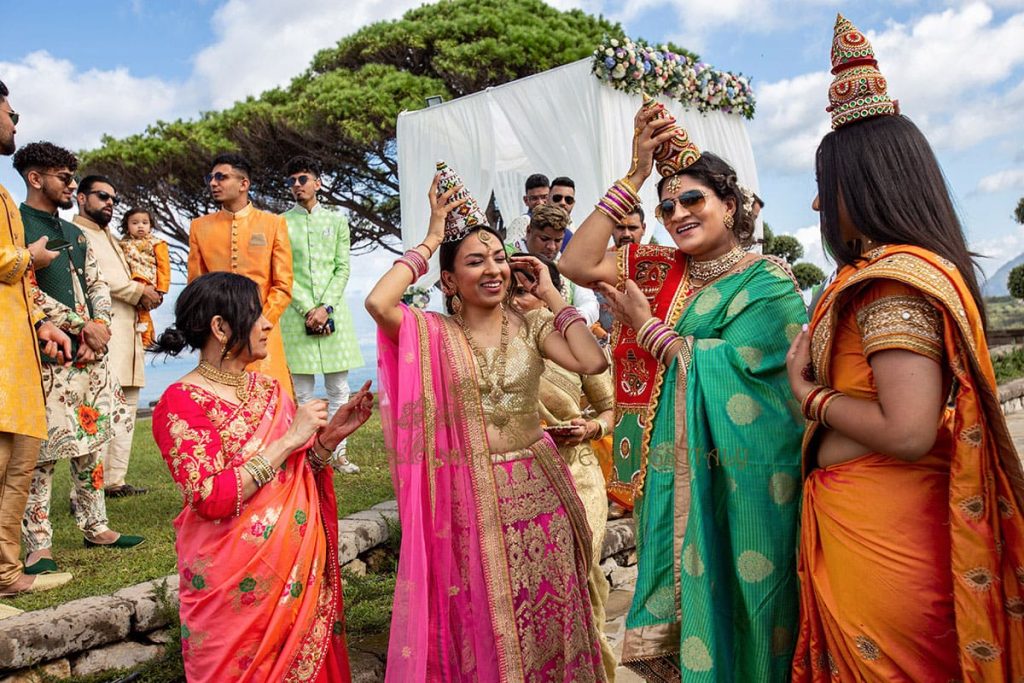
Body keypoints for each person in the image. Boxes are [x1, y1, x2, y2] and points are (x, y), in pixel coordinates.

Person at [786, 15, 1024, 681]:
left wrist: (811, 396)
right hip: (874, 518)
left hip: (886, 531)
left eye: (825, 186)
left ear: (864, 186)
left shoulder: (892, 283)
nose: (815, 203)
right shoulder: (899, 273)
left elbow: (910, 427)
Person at [560, 108, 807, 680]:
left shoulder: (766, 280)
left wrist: (652, 331)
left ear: (731, 205)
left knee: (749, 605)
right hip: (670, 480)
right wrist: (634, 175)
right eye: (667, 207)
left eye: (693, 200)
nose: (677, 214)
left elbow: (757, 380)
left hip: (742, 479)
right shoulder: (656, 269)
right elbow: (575, 261)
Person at [366, 162, 610, 681]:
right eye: (476, 262)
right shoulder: (431, 332)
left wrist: (550, 294)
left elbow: (592, 362)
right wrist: (432, 237)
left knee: (552, 611)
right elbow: (377, 301)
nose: (494, 269)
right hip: (471, 495)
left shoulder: (531, 323)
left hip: (542, 488)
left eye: (499, 257)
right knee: (485, 615)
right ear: (451, 280)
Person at [151, 272, 372, 682]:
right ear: (220, 328)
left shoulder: (270, 390)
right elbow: (211, 497)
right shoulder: (180, 403)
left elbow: (299, 474)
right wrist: (290, 439)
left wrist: (325, 442)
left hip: (295, 577)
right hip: (233, 591)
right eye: (256, 314)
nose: (268, 323)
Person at [14, 142, 144, 574]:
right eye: (64, 177)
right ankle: (39, 545)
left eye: (73, 177)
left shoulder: (77, 233)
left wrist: (100, 327)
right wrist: (77, 324)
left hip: (91, 353)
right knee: (43, 453)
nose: (72, 184)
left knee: (94, 445)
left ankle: (96, 525)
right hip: (47, 353)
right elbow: (21, 290)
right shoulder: (16, 226)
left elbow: (98, 284)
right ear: (36, 179)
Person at [511, 257, 618, 681]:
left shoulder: (577, 344)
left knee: (577, 571)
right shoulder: (494, 350)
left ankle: (594, 668)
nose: (521, 300)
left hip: (578, 475)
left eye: (530, 290)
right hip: (523, 480)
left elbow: (614, 408)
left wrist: (591, 426)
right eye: (513, 291)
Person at [0, 81, 75, 599]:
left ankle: (6, 573)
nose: (15, 122)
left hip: (18, 352)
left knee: (19, 464)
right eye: (10, 112)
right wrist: (33, 259)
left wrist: (42, 323)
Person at [280, 156, 364, 474]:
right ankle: (308, 454)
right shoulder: (281, 223)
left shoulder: (337, 221)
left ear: (318, 182)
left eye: (303, 179)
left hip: (334, 314)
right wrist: (307, 309)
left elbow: (342, 268)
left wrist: (325, 308)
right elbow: (283, 271)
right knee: (302, 391)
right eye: (292, 181)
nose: (297, 186)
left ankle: (339, 453)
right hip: (295, 314)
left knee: (339, 389)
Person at [75, 176, 157, 498]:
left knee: (127, 409)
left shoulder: (111, 236)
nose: (110, 202)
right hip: (102, 335)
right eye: (102, 196)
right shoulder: (77, 233)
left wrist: (148, 292)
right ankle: (84, 490)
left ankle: (115, 482)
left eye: (113, 198)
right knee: (98, 412)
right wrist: (140, 292)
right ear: (81, 198)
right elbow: (99, 279)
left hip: (130, 334)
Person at [187, 152, 294, 394]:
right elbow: (196, 286)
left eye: (221, 177)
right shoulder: (199, 227)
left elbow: (283, 284)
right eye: (210, 178)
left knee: (270, 402)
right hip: (218, 337)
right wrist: (215, 329)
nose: (213, 183)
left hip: (264, 330)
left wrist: (257, 322)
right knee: (219, 403)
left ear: (244, 184)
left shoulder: (273, 224)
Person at [514, 203, 600, 325]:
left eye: (558, 240)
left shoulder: (568, 264)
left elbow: (590, 304)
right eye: (544, 239)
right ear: (528, 231)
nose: (551, 247)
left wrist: (569, 321)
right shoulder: (506, 258)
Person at [118, 207, 170, 349]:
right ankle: (140, 340)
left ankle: (147, 340)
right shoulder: (122, 244)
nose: (140, 226)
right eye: (135, 223)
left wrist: (161, 289)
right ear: (127, 227)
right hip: (130, 282)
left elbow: (164, 266)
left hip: (148, 281)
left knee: (143, 312)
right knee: (133, 314)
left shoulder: (157, 243)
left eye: (145, 222)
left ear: (151, 226)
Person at [503, 172, 549, 245]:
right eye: (534, 198)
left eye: (544, 197)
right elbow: (510, 250)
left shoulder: (557, 220)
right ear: (526, 200)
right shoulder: (523, 221)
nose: (540, 202)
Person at [549, 175, 577, 249]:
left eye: (568, 200)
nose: (563, 203)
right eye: (557, 198)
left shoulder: (575, 231)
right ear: (547, 199)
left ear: (573, 203)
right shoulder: (529, 221)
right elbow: (513, 249)